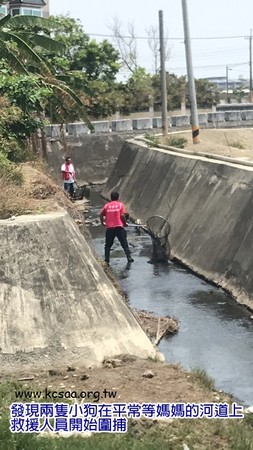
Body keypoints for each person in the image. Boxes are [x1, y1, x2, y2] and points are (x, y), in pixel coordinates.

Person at [100, 191, 134, 265]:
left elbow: (101, 214)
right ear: (118, 197)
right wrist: (125, 223)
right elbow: (122, 216)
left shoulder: (106, 206)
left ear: (111, 197)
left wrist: (102, 222)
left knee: (108, 245)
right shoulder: (120, 205)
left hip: (110, 228)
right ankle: (129, 258)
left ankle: (107, 260)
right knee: (124, 244)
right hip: (119, 227)